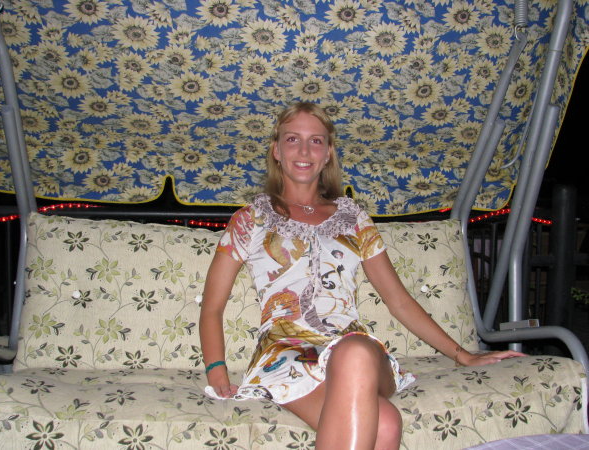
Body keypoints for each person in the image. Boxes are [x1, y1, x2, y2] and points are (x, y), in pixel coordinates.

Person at [199, 102, 524, 449]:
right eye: (292, 139)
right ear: (276, 150)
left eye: (316, 141)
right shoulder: (250, 219)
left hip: (356, 352)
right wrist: (216, 369)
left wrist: (463, 355)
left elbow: (398, 301)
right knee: (385, 425)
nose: (304, 151)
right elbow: (212, 306)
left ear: (328, 153)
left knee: (354, 351)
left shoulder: (354, 218)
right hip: (286, 353)